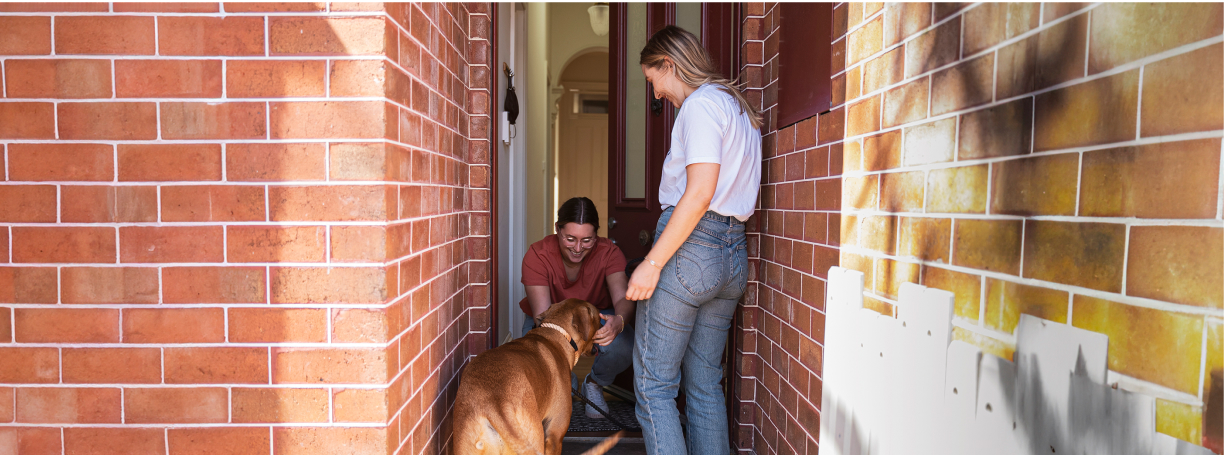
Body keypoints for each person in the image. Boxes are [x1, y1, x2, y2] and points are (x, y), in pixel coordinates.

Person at [627, 25, 762, 454]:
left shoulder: (701, 106)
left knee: (653, 387)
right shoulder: (736, 108)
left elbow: (701, 191)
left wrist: (652, 262)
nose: (656, 94)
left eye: (654, 81)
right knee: (704, 384)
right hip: (732, 255)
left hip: (691, 253)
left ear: (669, 64)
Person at [520, 196, 634, 419]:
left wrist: (618, 322)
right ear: (557, 230)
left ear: (597, 236)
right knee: (535, 355)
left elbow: (623, 299)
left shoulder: (609, 252)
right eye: (570, 239)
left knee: (626, 345)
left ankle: (594, 384)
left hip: (597, 316)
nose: (578, 248)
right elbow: (542, 321)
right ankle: (566, 383)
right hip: (551, 321)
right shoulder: (537, 254)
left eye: (587, 240)